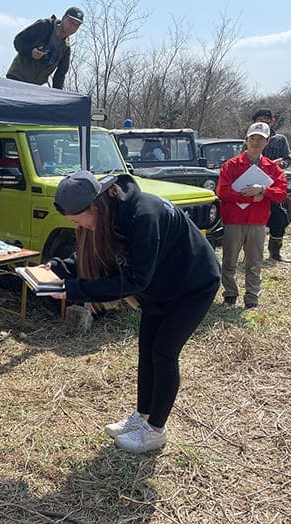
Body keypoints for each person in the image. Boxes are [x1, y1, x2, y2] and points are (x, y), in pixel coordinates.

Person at [46, 170, 220, 453]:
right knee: (146, 352)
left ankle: (156, 430)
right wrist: (55, 268)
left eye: (79, 221)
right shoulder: (106, 217)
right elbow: (86, 256)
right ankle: (142, 417)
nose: (80, 227)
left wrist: (74, 290)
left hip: (192, 285)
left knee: (164, 353)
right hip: (160, 286)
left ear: (94, 205)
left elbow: (136, 280)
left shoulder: (144, 215)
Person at [216, 122, 287, 309]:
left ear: (267, 142)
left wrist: (263, 189)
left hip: (257, 221)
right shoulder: (231, 165)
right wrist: (248, 197)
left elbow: (281, 192)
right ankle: (230, 295)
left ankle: (252, 298)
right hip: (233, 220)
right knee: (229, 260)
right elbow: (222, 192)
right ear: (246, 140)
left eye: (260, 139)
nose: (256, 143)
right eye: (252, 139)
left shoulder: (271, 167)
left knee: (254, 261)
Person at [6, 7, 83, 90]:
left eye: (76, 25)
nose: (72, 27)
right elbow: (18, 41)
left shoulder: (65, 48)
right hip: (17, 78)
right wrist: (30, 52)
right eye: (70, 22)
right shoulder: (44, 26)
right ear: (63, 18)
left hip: (35, 87)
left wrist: (58, 95)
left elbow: (60, 74)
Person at [252, 108, 291, 262]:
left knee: (280, 219)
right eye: (259, 119)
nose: (263, 122)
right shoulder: (250, 139)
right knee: (252, 223)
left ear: (272, 121)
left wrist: (281, 164)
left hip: (272, 188)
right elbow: (243, 159)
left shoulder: (280, 140)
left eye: (266, 119)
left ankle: (275, 253)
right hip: (254, 186)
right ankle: (251, 254)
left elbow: (288, 158)